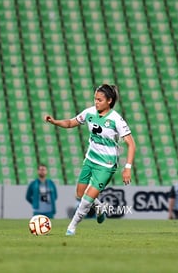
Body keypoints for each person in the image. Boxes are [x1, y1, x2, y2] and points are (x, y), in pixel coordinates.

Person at [44, 84, 136, 236]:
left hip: (106, 165)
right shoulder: (89, 113)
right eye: (95, 99)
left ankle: (71, 227)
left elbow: (131, 144)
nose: (96, 102)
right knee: (80, 193)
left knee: (87, 198)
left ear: (109, 101)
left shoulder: (116, 120)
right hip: (90, 159)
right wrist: (55, 122)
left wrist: (127, 167)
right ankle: (99, 207)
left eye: (99, 100)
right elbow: (70, 123)